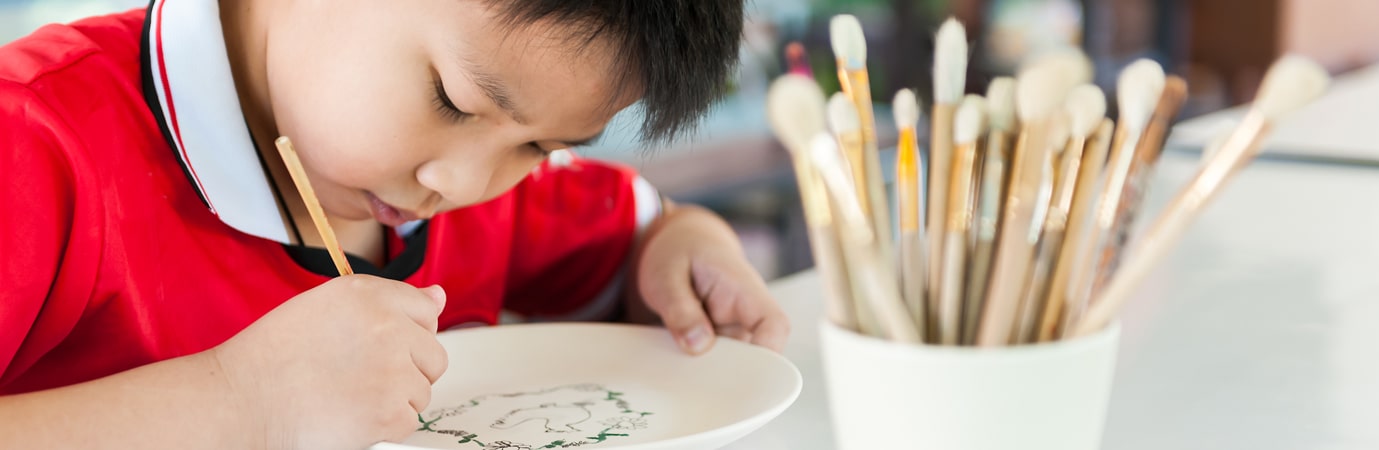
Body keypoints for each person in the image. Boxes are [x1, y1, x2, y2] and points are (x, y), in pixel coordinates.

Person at [0, 0, 790, 447]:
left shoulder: (485, 183)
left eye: (541, 146)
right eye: (453, 99)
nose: (464, 183)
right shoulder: (33, 142)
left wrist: (684, 246)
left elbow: (641, 243)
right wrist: (238, 399)